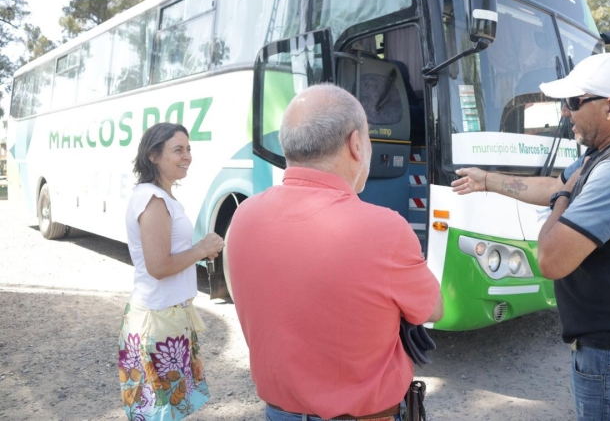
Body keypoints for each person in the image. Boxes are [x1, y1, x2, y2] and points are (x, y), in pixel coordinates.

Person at [452, 53, 610, 420]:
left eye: (573, 102)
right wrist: (488, 180)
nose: (564, 112)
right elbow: (553, 185)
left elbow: (551, 259)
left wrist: (563, 196)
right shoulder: (608, 151)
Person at [226, 84, 443, 421]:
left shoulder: (243, 217)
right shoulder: (386, 229)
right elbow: (433, 309)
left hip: (278, 413)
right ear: (356, 144)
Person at [118, 122, 224, 421]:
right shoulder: (153, 201)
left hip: (167, 315)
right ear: (153, 156)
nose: (187, 156)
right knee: (160, 412)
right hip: (159, 320)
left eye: (188, 148)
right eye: (178, 150)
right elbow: (159, 266)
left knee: (169, 409)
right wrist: (201, 249)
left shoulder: (159, 196)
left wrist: (198, 251)